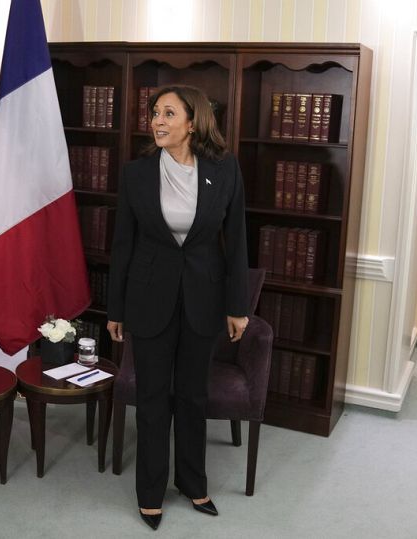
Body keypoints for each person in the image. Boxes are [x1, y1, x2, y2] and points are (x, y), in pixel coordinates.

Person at [106, 85, 249, 530]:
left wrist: (236, 305)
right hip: (149, 300)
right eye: (154, 112)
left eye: (169, 112)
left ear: (193, 121)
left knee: (192, 396)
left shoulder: (225, 171)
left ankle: (193, 483)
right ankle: (150, 492)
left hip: (203, 301)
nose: (157, 120)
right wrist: (116, 310)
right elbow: (123, 245)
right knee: (151, 398)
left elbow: (237, 240)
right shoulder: (136, 173)